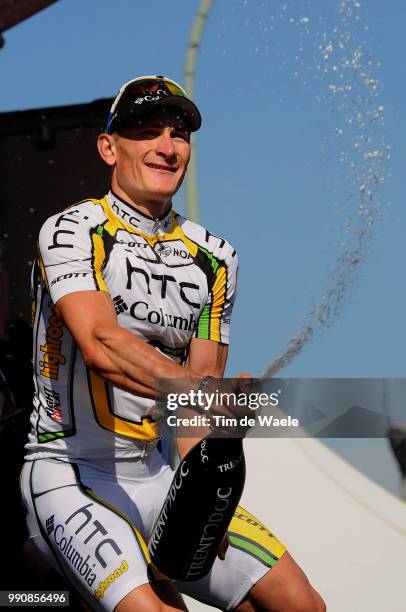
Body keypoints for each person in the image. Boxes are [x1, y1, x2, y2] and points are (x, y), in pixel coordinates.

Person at [20, 75, 325, 611]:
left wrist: (204, 487)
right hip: (72, 473)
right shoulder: (71, 228)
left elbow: (193, 413)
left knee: (300, 604)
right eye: (145, 132)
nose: (166, 146)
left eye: (179, 134)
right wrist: (203, 390)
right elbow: (102, 345)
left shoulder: (216, 256)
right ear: (108, 148)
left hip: (158, 477)